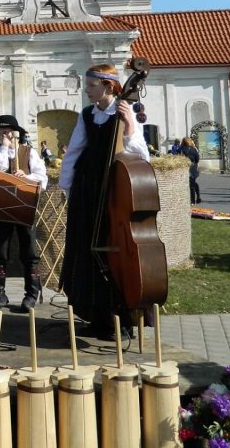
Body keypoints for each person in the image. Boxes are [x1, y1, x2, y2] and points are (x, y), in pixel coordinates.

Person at [58, 63, 150, 341]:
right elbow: (74, 151)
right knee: (85, 249)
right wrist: (67, 187)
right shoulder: (87, 115)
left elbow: (141, 155)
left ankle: (120, 318)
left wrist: (131, 125)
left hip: (113, 191)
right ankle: (96, 316)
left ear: (109, 86)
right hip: (87, 190)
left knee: (114, 253)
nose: (87, 90)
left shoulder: (125, 111)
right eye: (87, 86)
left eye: (91, 86)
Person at [0, 115, 48, 311]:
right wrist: (4, 148)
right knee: (0, 252)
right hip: (2, 207)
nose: (4, 135)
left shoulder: (29, 152)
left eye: (7, 132)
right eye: (0, 133)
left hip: (24, 207)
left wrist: (26, 177)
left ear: (15, 133)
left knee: (29, 252)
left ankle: (31, 295)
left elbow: (42, 179)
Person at [179, 137, 201, 204]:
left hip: (184, 168)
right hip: (193, 168)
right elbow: (197, 159)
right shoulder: (194, 149)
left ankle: (186, 200)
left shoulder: (181, 149)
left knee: (185, 184)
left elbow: (176, 157)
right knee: (192, 184)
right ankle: (194, 199)